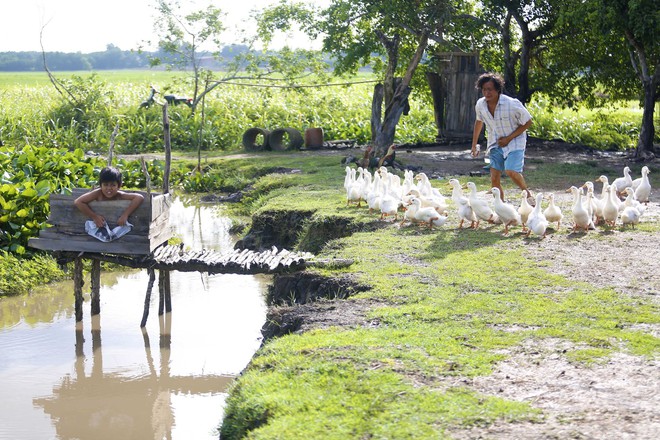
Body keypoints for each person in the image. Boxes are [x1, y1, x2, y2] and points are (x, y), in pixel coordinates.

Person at [471, 72, 533, 202]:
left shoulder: (512, 104)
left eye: (490, 90)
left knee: (511, 171)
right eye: (484, 90)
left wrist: (509, 138)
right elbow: (479, 121)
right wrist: (474, 145)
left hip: (515, 141)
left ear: (498, 90)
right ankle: (501, 207)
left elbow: (528, 122)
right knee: (494, 178)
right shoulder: (480, 104)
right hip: (495, 143)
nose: (487, 93)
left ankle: (527, 194)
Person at [75, 166, 144, 228]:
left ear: (119, 186)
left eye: (113, 185)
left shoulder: (119, 195)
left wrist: (125, 215)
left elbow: (139, 197)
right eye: (105, 185)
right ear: (100, 185)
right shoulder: (97, 193)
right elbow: (78, 202)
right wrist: (94, 217)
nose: (109, 188)